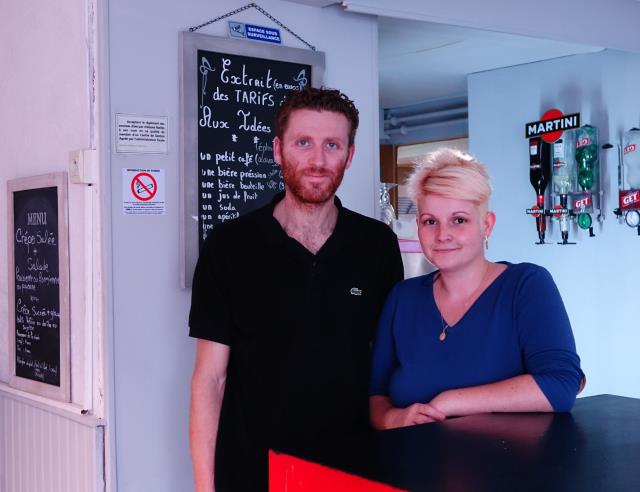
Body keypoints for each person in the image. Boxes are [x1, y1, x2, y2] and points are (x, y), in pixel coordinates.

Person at [189, 87, 404, 491]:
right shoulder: (228, 246)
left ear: (350, 155)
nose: (318, 160)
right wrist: (205, 486)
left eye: (332, 145)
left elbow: (390, 364)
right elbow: (209, 380)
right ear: (277, 149)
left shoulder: (377, 245)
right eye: (303, 143)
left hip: (353, 471)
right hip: (254, 473)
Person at [369, 148, 584, 430]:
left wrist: (450, 403)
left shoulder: (526, 285)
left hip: (511, 470)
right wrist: (391, 418)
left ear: (487, 225)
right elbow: (377, 396)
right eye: (429, 221)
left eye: (459, 220)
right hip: (413, 467)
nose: (442, 234)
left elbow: (561, 385)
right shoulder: (402, 298)